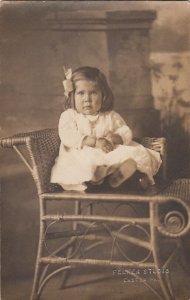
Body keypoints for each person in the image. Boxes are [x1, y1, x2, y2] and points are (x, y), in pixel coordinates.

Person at [51, 66, 161, 191]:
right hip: (81, 155)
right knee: (89, 161)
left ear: (103, 95)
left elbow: (125, 130)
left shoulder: (110, 115)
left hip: (108, 155)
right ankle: (97, 178)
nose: (87, 99)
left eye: (93, 93)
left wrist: (117, 137)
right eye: (81, 93)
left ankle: (124, 176)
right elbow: (68, 136)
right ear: (72, 96)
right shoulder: (70, 116)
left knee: (133, 153)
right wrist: (93, 141)